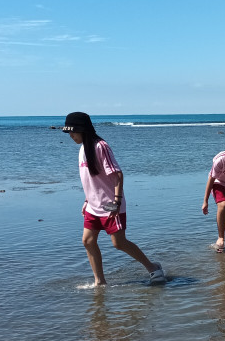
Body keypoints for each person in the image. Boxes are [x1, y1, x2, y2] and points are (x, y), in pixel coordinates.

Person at [64, 111, 165, 286]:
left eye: (72, 131)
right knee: (88, 241)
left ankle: (152, 267)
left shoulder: (101, 146)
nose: (70, 135)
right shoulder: (82, 149)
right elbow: (91, 180)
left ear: (82, 129)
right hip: (92, 205)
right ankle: (100, 281)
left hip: (110, 204)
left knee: (119, 243)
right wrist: (87, 200)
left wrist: (116, 201)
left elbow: (117, 174)